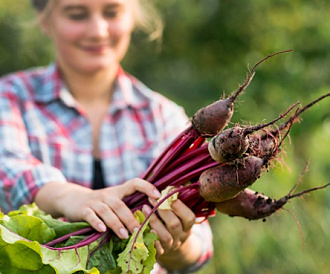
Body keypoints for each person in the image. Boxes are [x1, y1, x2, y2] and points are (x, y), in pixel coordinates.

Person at [0, 0, 213, 272]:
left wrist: (176, 246)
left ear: (132, 16)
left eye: (112, 12)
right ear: (45, 20)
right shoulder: (10, 97)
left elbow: (200, 245)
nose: (99, 31)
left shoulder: (163, 116)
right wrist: (71, 197)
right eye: (77, 15)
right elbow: (8, 164)